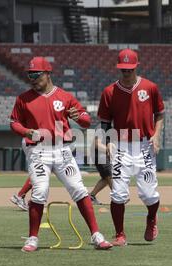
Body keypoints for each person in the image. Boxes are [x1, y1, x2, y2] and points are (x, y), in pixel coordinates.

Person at [10, 56, 112, 252]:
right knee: (40, 190)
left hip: (62, 149)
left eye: (37, 75)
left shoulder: (64, 97)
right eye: (30, 75)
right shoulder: (23, 99)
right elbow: (13, 122)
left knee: (79, 189)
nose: (33, 78)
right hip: (38, 149)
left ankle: (96, 235)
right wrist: (26, 132)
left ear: (48, 74)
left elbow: (85, 120)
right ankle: (33, 238)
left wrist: (79, 118)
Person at [97, 49, 164, 246]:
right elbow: (104, 123)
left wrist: (156, 134)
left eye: (129, 69)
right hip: (120, 146)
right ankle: (120, 234)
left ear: (136, 67)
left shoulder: (150, 87)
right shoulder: (109, 91)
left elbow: (159, 114)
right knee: (118, 194)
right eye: (123, 69)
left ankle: (151, 219)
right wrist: (107, 141)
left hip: (144, 145)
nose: (126, 72)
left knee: (149, 194)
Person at [89, 135, 112, 205]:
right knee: (110, 176)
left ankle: (91, 197)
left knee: (106, 179)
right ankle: (119, 196)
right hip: (100, 156)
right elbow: (97, 144)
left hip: (103, 156)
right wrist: (109, 151)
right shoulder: (102, 127)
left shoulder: (110, 127)